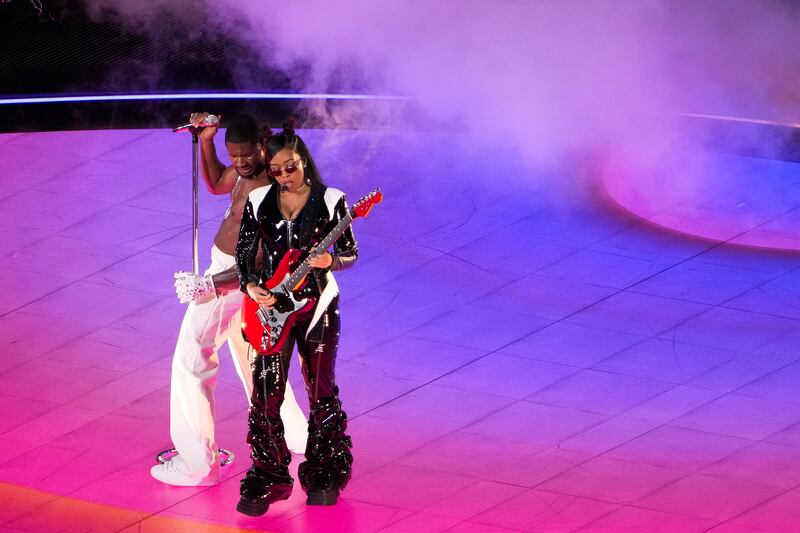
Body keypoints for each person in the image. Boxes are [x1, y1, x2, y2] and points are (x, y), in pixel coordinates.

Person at [150, 113, 307, 487]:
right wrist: (206, 141)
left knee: (192, 359)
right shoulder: (248, 169)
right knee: (255, 362)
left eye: (245, 156)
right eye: (233, 156)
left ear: (263, 143)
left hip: (234, 284)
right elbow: (219, 184)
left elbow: (259, 263)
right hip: (226, 276)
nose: (239, 164)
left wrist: (212, 286)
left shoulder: (272, 191)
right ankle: (294, 435)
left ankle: (196, 464)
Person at [234, 121, 356, 516]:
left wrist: (331, 259)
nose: (285, 176)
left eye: (291, 167)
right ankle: (269, 473)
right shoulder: (259, 202)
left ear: (303, 159)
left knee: (320, 388)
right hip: (271, 308)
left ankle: (325, 469)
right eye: (277, 170)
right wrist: (252, 287)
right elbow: (243, 254)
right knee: (265, 391)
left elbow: (351, 252)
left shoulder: (332, 200)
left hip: (318, 306)